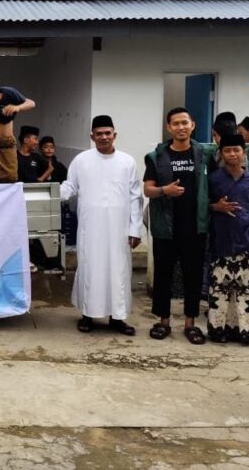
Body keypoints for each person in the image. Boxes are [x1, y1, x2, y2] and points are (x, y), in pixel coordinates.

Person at [61, 116, 143, 334]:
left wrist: (135, 229)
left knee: (119, 272)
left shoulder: (127, 162)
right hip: (90, 228)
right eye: (99, 134)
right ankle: (87, 315)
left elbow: (136, 197)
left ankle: (117, 318)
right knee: (90, 268)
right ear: (92, 136)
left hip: (120, 230)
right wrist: (48, 195)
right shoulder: (81, 160)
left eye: (108, 133)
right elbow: (69, 187)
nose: (104, 137)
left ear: (115, 135)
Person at [144, 107, 209, 345]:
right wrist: (165, 190)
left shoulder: (203, 154)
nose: (181, 127)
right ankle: (163, 322)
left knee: (193, 276)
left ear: (193, 125)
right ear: (168, 127)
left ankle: (190, 324)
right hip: (165, 226)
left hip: (195, 226)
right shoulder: (156, 156)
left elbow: (219, 177)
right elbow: (147, 189)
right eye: (176, 124)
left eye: (185, 123)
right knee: (163, 275)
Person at [206, 134, 249, 349]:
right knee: (222, 289)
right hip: (223, 240)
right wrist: (217, 207)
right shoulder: (213, 179)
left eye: (236, 150)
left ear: (244, 152)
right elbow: (204, 205)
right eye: (227, 150)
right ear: (221, 154)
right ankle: (221, 330)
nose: (232, 154)